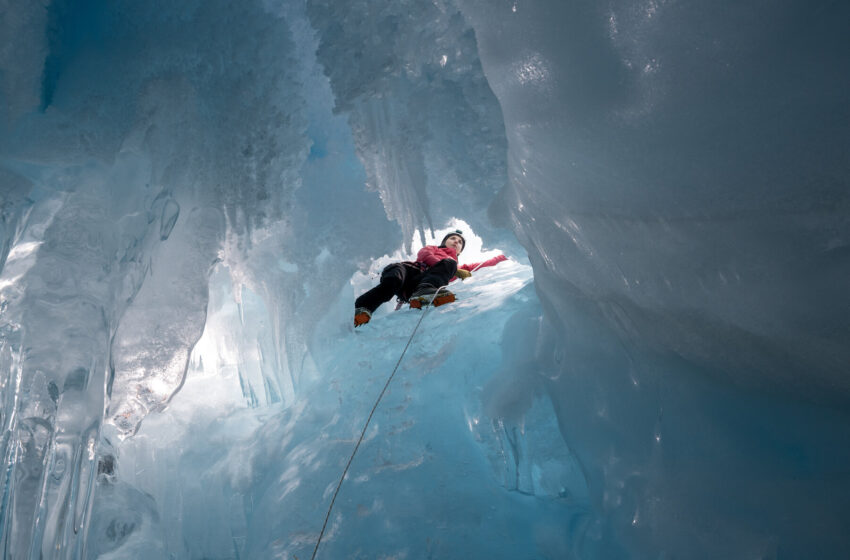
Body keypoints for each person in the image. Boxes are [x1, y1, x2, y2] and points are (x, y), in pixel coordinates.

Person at [354, 230, 508, 327]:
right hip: (409, 270)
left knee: (450, 263)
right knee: (393, 279)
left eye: (460, 242)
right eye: (453, 238)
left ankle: (424, 291)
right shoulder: (433, 249)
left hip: (414, 288)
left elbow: (484, 264)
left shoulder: (454, 265)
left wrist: (509, 251)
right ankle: (363, 308)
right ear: (445, 242)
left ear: (461, 249)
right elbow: (425, 256)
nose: (456, 241)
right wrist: (453, 271)